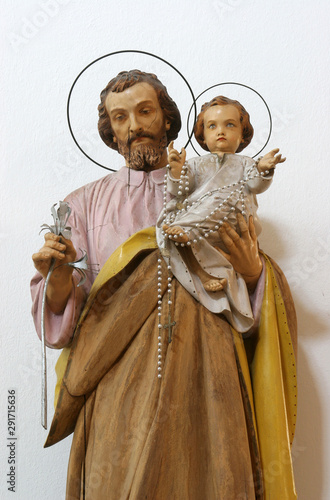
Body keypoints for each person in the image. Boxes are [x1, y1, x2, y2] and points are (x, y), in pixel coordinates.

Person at [31, 70, 297, 499]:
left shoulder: (215, 188)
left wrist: (254, 273)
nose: (133, 126)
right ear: (110, 130)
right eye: (120, 117)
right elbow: (62, 320)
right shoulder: (79, 205)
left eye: (144, 111)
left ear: (168, 119)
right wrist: (57, 277)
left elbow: (243, 282)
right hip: (117, 375)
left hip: (209, 371)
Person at [156, 96, 285, 332]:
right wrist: (175, 171)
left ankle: (187, 230)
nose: (221, 132)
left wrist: (265, 169)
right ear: (202, 135)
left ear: (243, 134)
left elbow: (255, 184)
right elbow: (181, 190)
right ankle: (201, 274)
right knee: (174, 222)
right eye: (212, 126)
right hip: (203, 223)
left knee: (203, 211)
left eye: (230, 125)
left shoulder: (245, 163)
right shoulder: (195, 164)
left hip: (234, 220)